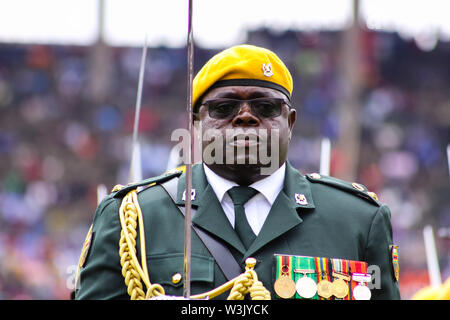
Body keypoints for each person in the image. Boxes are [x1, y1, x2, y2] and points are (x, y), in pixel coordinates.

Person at [74, 44, 400, 300]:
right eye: (224, 108)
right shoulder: (135, 218)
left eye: (265, 107)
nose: (245, 117)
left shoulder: (357, 220)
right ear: (196, 123)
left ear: (290, 122)